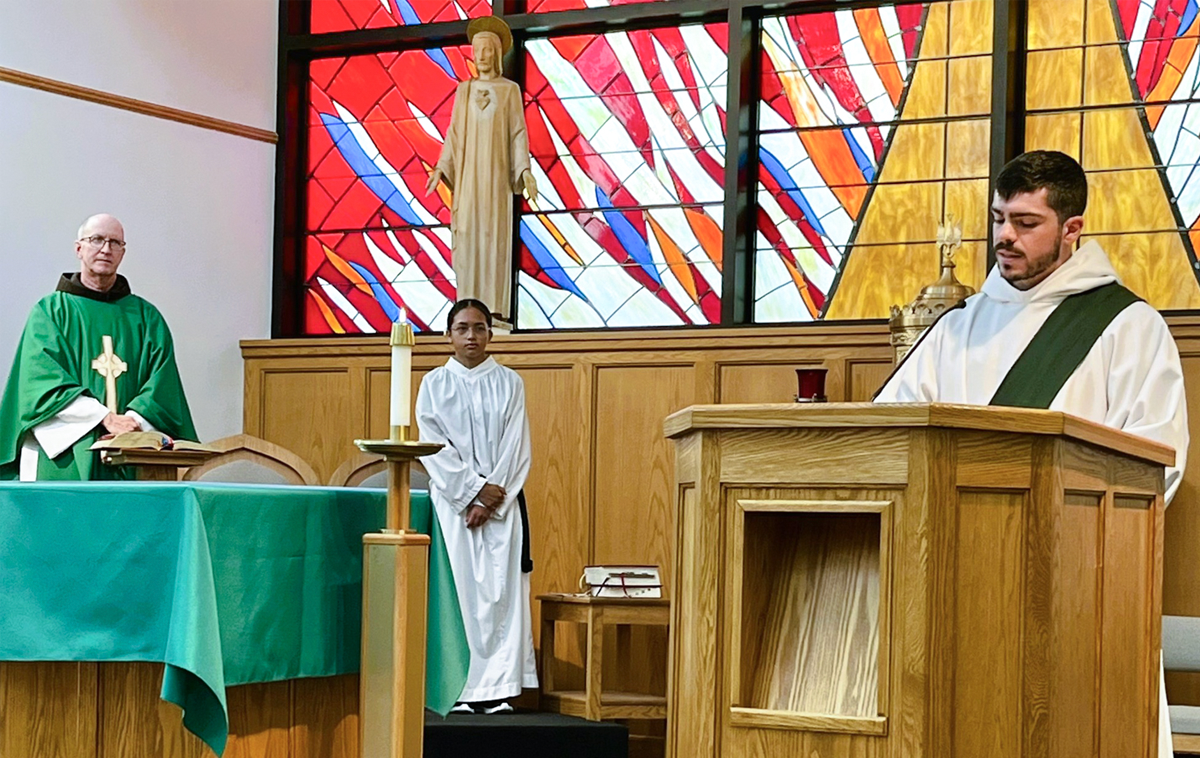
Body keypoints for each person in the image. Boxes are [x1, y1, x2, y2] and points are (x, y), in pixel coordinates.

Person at [875, 150, 1188, 756]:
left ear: (1072, 229)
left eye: (1025, 222)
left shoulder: (1127, 327)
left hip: (1074, 581)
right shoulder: (958, 325)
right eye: (997, 219)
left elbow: (1160, 461)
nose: (1004, 237)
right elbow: (890, 431)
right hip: (951, 580)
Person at [0, 214, 196, 481]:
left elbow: (163, 384)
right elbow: (40, 380)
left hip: (134, 450)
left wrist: (133, 421)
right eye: (97, 240)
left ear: (123, 252)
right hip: (66, 449)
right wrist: (102, 416)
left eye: (115, 242)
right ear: (79, 248)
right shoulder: (50, 312)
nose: (106, 249)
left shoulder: (146, 317)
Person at [416, 298, 535, 712]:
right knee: (460, 594)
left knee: (499, 596)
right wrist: (470, 493)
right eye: (463, 328)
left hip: (500, 510)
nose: (472, 336)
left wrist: (491, 495)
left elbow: (516, 445)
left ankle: (497, 690)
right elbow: (432, 446)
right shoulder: (434, 384)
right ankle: (460, 688)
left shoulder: (509, 382)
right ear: (449, 334)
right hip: (454, 509)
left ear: (490, 333)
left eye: (480, 328)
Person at [425, 17, 536, 324]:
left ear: (497, 54)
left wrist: (523, 170)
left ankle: (493, 310)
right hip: (469, 182)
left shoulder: (509, 91)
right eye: (478, 50)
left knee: (494, 239)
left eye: (488, 50)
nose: (482, 55)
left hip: (497, 183)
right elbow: (453, 134)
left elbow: (517, 133)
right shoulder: (464, 91)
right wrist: (441, 167)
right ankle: (467, 309)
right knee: (470, 236)